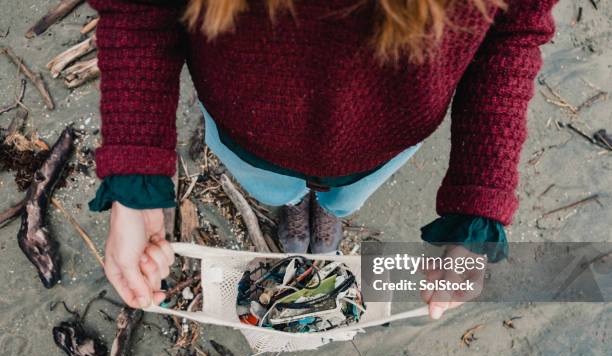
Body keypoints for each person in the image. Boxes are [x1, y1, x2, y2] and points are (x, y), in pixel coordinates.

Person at [87, 0, 557, 319]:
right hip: (249, 136)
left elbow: (512, 31)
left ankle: (328, 210)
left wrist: (478, 209)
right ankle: (294, 203)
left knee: (347, 197)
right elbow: (137, 8)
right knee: (274, 188)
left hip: (380, 147)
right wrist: (134, 180)